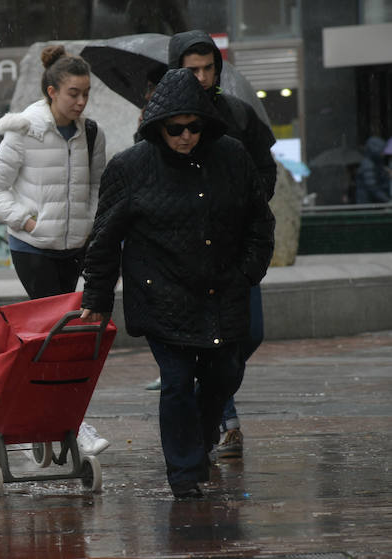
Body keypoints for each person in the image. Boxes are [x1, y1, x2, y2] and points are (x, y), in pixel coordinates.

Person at [80, 68, 275, 498]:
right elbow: (105, 238)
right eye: (175, 129)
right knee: (177, 381)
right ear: (158, 126)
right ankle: (185, 475)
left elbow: (259, 223)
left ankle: (200, 441)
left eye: (194, 126)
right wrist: (96, 295)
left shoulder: (233, 157)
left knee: (224, 375)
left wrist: (246, 272)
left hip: (223, 289)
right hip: (160, 293)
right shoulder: (130, 168)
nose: (186, 136)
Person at [0, 45, 110, 456]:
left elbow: (97, 188)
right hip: (34, 248)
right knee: (59, 337)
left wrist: (89, 226)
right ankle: (70, 422)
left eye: (86, 92)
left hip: (74, 248)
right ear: (51, 91)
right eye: (74, 92)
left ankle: (47, 419)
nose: (81, 101)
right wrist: (26, 221)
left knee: (64, 336)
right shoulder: (24, 131)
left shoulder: (91, 133)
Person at [163, 30, 279, 460]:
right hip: (187, 254)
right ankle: (221, 417)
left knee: (247, 334)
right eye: (192, 69)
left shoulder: (237, 113)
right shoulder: (161, 121)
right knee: (206, 343)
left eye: (209, 67)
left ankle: (211, 401)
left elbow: (265, 169)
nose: (202, 76)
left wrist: (247, 202)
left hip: (236, 249)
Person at [354, 136, 391, 204]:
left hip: (374, 203)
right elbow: (372, 186)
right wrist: (387, 200)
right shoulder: (368, 165)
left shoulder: (377, 163)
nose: (384, 154)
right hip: (369, 203)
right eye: (381, 151)